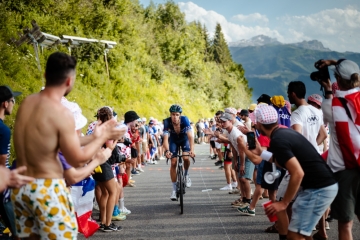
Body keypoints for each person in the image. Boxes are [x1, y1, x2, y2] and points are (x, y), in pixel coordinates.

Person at [11, 52, 125, 239]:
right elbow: (76, 158)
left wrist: (95, 136)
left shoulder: (27, 103)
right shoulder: (62, 112)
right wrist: (99, 155)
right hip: (47, 190)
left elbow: (60, 140)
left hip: (21, 188)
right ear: (69, 81)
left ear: (46, 75)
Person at [238, 105, 338, 240]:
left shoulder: (278, 140)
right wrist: (262, 152)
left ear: (259, 123)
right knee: (301, 234)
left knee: (294, 235)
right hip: (322, 185)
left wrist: (284, 203)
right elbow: (283, 161)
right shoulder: (284, 133)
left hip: (319, 188)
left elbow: (297, 172)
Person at [316, 59, 360, 240]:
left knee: (345, 223)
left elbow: (329, 99)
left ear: (337, 80)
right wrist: (335, 62)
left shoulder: (331, 107)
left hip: (344, 171)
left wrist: (327, 87)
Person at [0, 85, 24, 238]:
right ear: (5, 103)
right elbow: (1, 163)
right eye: (13, 100)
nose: (14, 103)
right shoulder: (3, 130)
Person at [162, 104, 195, 201]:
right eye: (173, 114)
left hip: (184, 139)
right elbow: (165, 139)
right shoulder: (167, 122)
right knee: (173, 162)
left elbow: (190, 137)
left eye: (177, 114)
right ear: (170, 115)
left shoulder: (185, 120)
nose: (175, 117)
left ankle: (186, 174)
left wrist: (192, 150)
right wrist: (167, 151)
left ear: (180, 115)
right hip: (173, 141)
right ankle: (174, 189)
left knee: (186, 158)